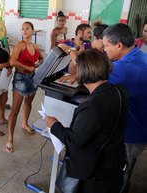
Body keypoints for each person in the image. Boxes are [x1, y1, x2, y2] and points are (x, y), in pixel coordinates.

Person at [46, 49, 128, 193]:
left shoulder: (92, 106)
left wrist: (54, 124)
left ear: (84, 73)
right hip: (114, 161)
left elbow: (73, 140)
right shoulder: (118, 90)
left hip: (96, 171)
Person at [102, 23, 147, 193]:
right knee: (127, 167)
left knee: (119, 172)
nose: (105, 49)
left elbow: (92, 79)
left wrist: (75, 53)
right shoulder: (141, 56)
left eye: (106, 45)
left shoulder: (123, 68)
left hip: (133, 132)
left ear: (119, 45)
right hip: (142, 126)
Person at [6, 22, 44, 153]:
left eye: (27, 28)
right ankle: (10, 139)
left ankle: (24, 123)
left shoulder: (35, 46)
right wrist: (28, 67)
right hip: (21, 78)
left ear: (33, 31)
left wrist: (37, 64)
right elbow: (12, 62)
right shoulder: (19, 45)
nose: (25, 31)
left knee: (28, 102)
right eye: (23, 29)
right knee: (15, 110)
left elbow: (41, 58)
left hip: (32, 78)